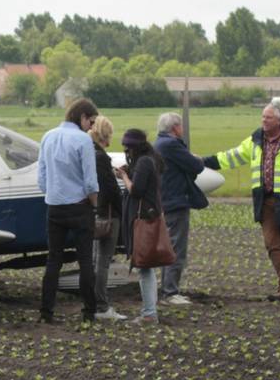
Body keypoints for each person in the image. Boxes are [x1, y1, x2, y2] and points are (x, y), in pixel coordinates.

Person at [202, 103, 280, 303]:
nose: (264, 121)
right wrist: (204, 162)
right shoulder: (256, 140)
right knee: (272, 244)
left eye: (268, 118)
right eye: (263, 117)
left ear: (279, 121)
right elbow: (233, 156)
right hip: (264, 201)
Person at [36, 97, 100, 325]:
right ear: (82, 117)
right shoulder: (83, 141)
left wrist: (53, 193)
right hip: (79, 206)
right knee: (85, 261)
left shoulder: (47, 136)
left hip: (54, 207)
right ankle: (89, 311)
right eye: (91, 122)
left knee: (54, 260)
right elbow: (91, 182)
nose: (92, 127)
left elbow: (41, 177)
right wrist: (94, 206)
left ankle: (46, 311)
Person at [153, 112, 206, 306]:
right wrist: (197, 159)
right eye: (181, 126)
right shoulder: (172, 145)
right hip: (175, 202)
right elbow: (196, 166)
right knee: (176, 248)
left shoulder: (158, 144)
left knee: (169, 246)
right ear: (175, 128)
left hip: (164, 202)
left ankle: (167, 289)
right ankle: (170, 292)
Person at [117, 128, 161, 323]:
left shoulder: (143, 162)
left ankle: (149, 313)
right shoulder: (149, 160)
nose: (126, 151)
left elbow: (136, 190)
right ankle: (149, 311)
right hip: (146, 217)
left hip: (141, 219)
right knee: (145, 267)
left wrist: (124, 177)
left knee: (144, 267)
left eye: (127, 147)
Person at [88, 116, 126, 321]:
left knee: (96, 260)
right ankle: (102, 306)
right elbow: (111, 189)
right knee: (103, 262)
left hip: (95, 213)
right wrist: (123, 207)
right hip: (108, 215)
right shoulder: (101, 157)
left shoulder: (88, 153)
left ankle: (94, 303)